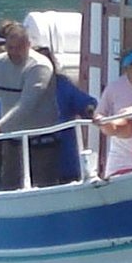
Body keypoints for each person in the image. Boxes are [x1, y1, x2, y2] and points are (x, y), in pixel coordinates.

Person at [0, 22, 59, 189]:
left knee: (42, 187)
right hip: (11, 140)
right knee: (9, 186)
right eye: (10, 47)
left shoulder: (39, 66)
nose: (14, 52)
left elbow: (26, 104)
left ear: (28, 45)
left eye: (19, 47)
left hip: (41, 140)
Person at [39, 45, 99, 183]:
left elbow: (84, 102)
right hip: (36, 148)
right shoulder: (23, 85)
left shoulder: (62, 84)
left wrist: (90, 109)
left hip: (64, 151)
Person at [95, 47, 132, 177]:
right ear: (130, 67)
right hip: (121, 142)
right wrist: (101, 121)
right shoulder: (114, 87)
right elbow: (100, 112)